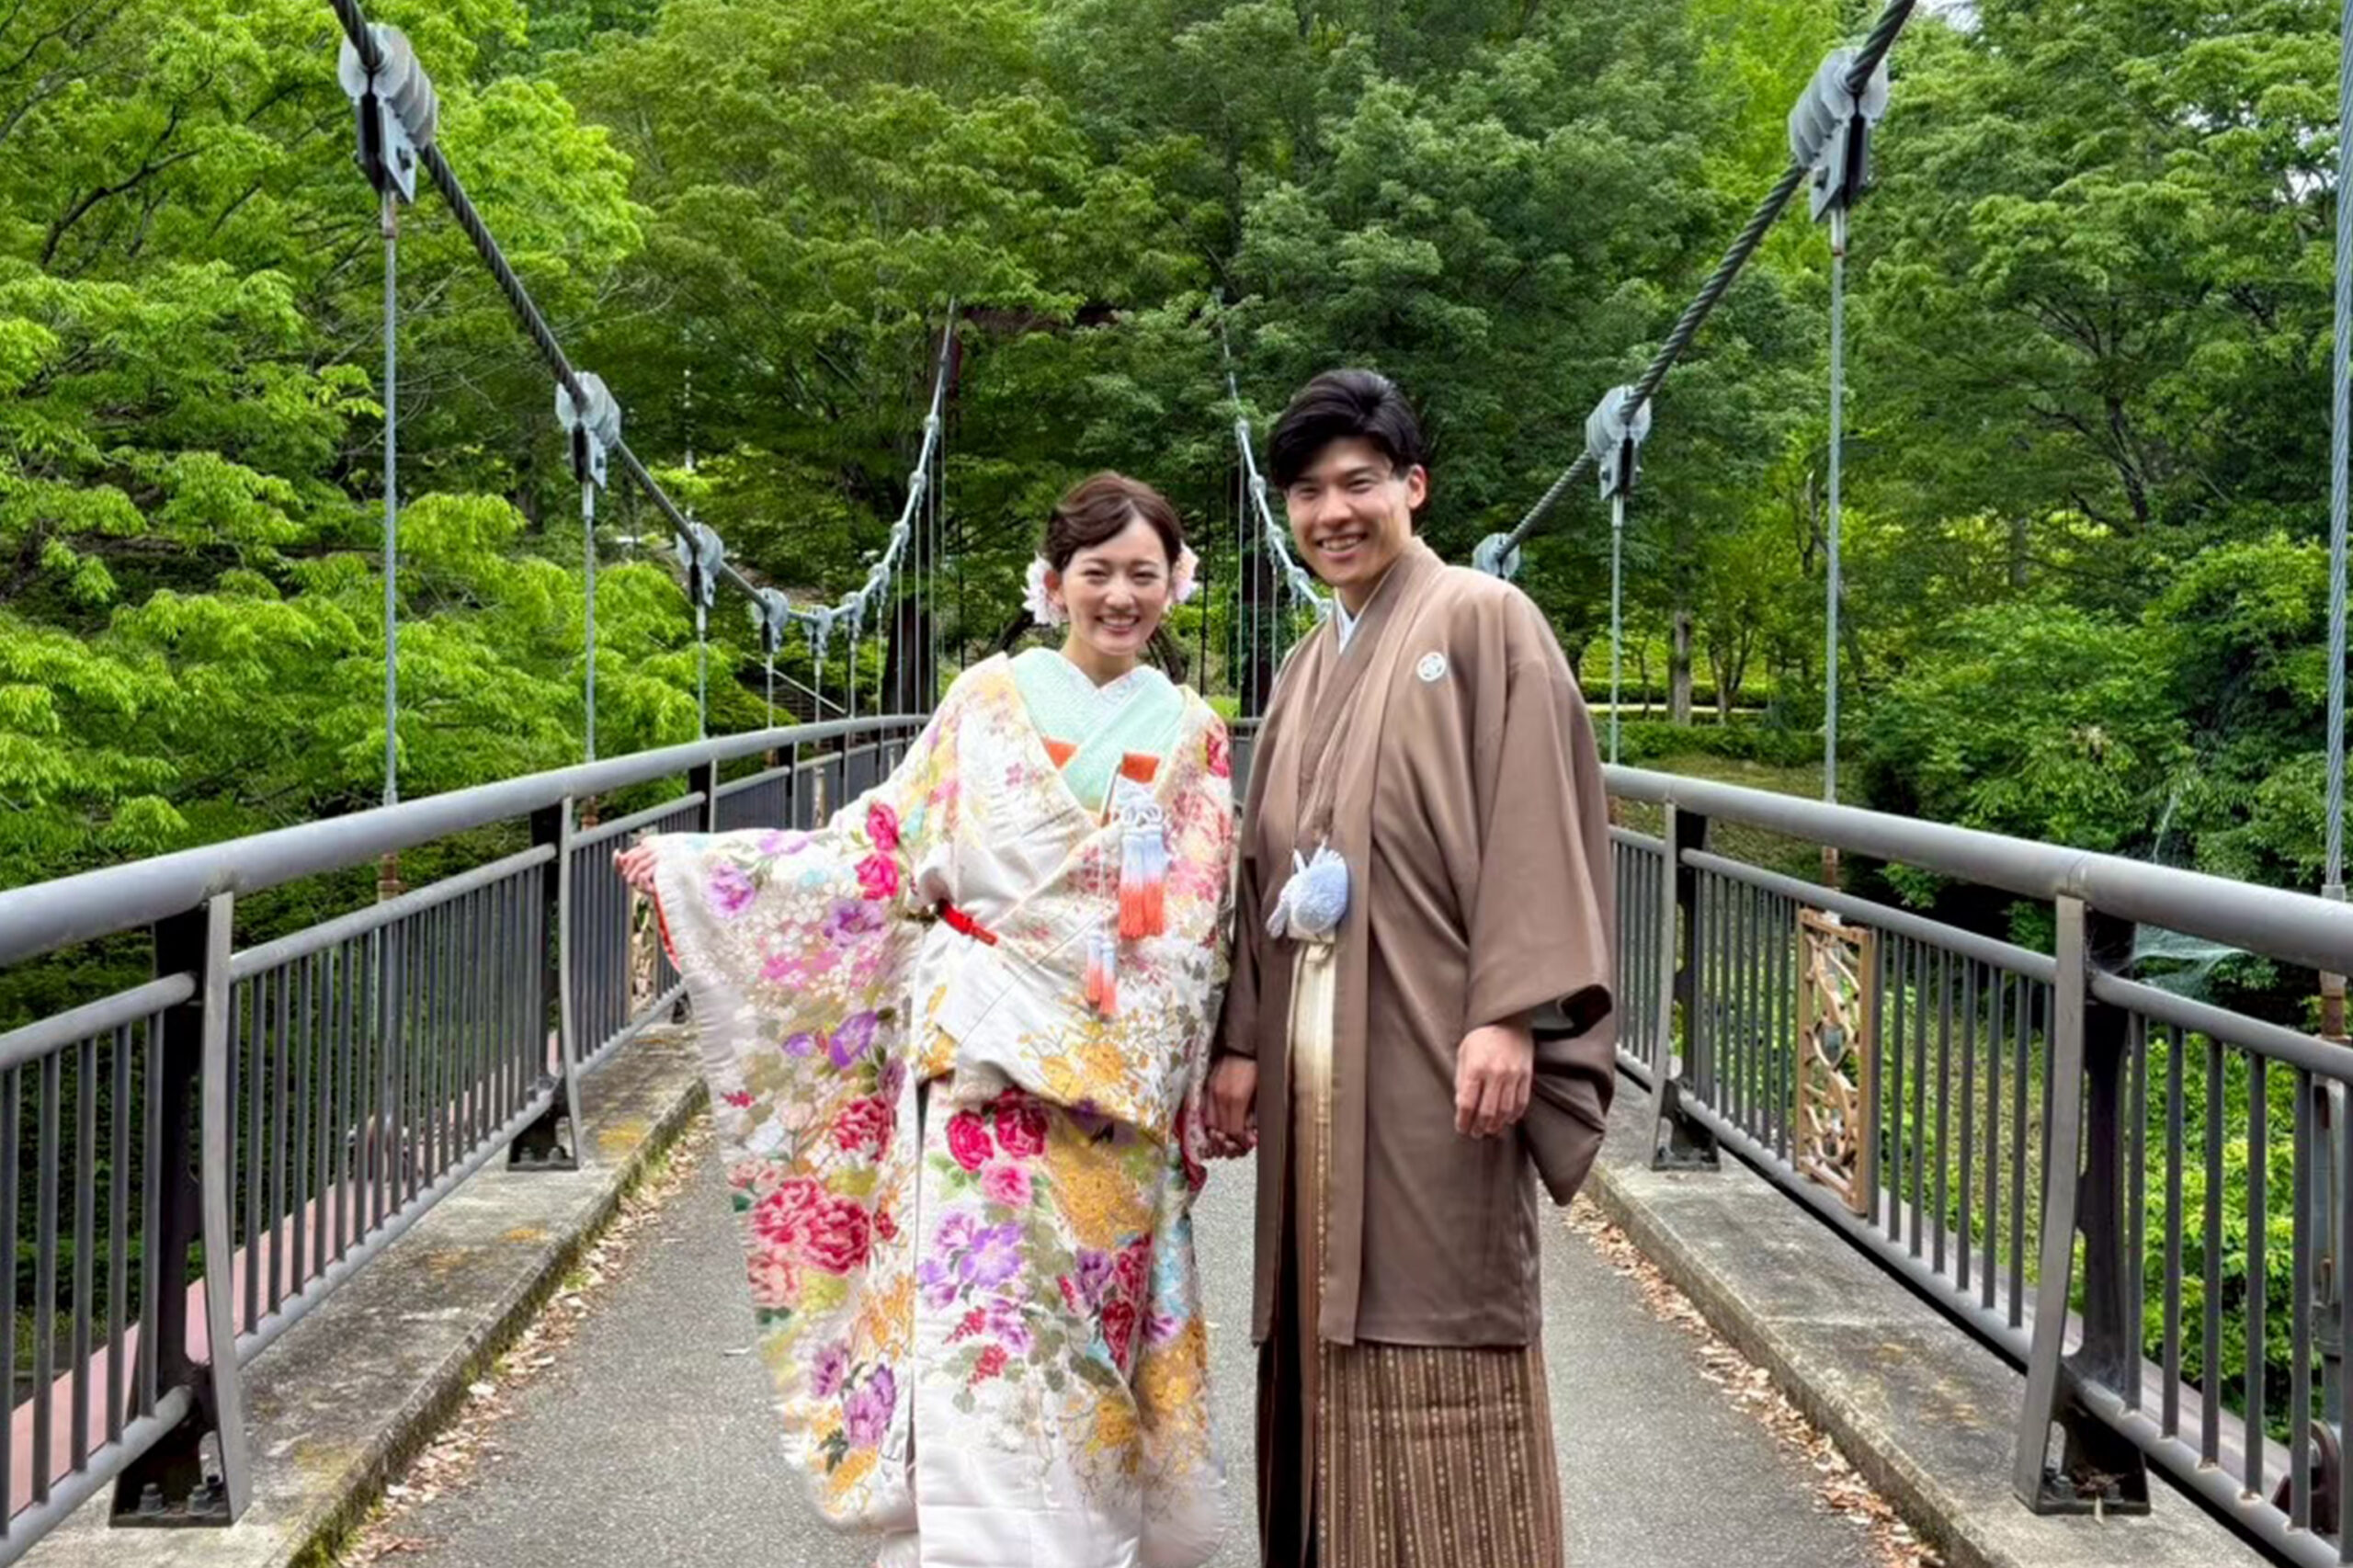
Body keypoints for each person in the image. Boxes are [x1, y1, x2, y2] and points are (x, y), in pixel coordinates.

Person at [619, 473, 1233, 1568]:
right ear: (1053, 582)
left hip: (1110, 1094)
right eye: (1096, 572)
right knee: (980, 1329)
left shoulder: (1193, 733)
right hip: (983, 1080)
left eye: (1143, 573)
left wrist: (1093, 1019)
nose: (1120, 595)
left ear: (1174, 585)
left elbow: (1192, 917)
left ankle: (1084, 1546)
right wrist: (705, 868)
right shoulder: (983, 700)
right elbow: (879, 847)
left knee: (1086, 1341)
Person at [1204, 370, 1617, 1568]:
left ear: (1413, 487)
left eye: (1360, 483)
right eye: (1308, 492)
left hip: (1436, 1057)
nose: (1333, 512)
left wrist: (1513, 1010)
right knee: (1318, 1318)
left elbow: (1538, 815)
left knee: (1436, 1312)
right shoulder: (1303, 665)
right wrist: (1242, 1040)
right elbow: (1263, 866)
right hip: (1311, 1071)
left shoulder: (1485, 617)